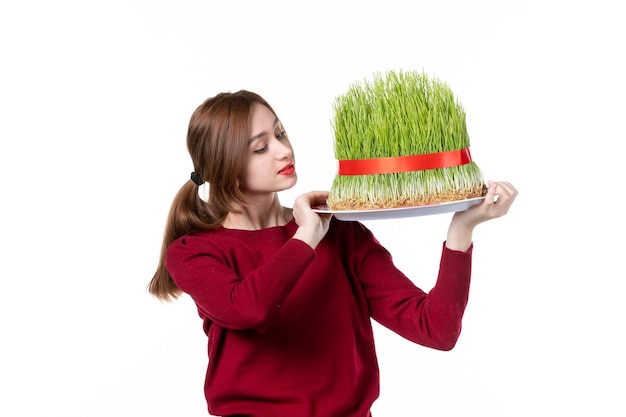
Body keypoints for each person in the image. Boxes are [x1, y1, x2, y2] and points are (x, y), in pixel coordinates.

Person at [148, 90, 518, 417]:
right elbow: (248, 308)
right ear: (222, 165)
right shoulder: (194, 252)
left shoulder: (339, 231)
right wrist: (306, 235)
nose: (284, 150)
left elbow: (437, 329)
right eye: (261, 147)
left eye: (280, 134)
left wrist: (461, 230)